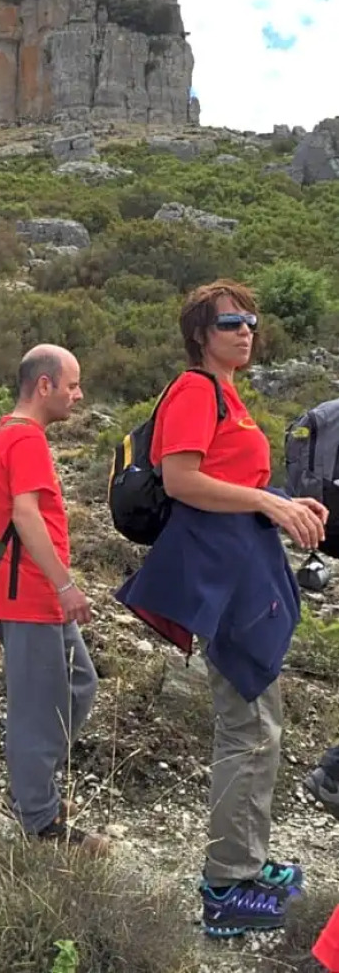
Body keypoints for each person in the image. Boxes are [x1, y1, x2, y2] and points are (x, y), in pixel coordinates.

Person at [116, 279, 327, 937]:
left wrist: (287, 499)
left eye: (251, 321)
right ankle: (226, 889)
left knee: (260, 723)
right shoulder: (193, 390)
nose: (246, 331)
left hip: (241, 572)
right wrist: (269, 503)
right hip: (221, 577)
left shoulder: (227, 395)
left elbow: (233, 481)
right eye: (230, 322)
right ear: (201, 334)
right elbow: (181, 480)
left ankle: (246, 863)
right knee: (249, 728)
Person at [0, 344, 108, 854]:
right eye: (72, 385)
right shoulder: (25, 438)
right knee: (38, 710)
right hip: (30, 596)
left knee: (78, 686)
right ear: (44, 386)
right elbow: (25, 516)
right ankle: (40, 823)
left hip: (37, 596)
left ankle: (35, 788)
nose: (78, 395)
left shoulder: (14, 433)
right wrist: (65, 584)